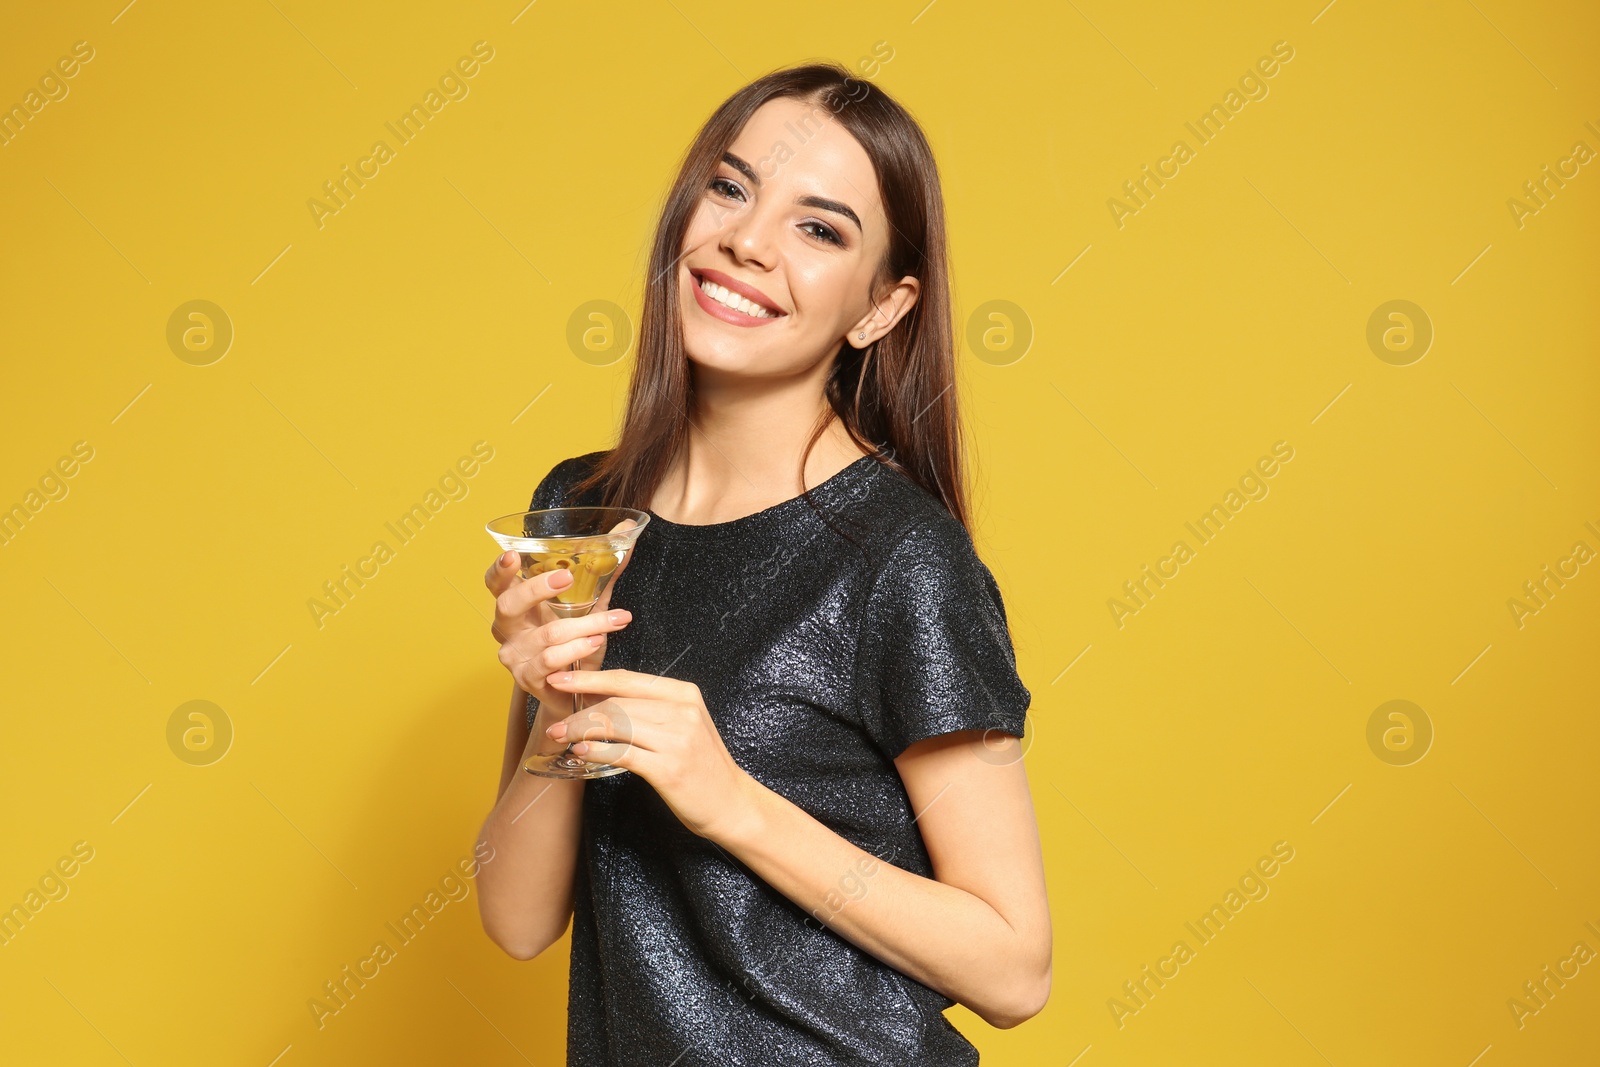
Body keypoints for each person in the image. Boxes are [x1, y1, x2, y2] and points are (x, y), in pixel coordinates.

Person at [475, 62, 1050, 1065]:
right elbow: (517, 919)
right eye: (731, 187)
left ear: (880, 308)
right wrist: (553, 700)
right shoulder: (581, 507)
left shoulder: (901, 559)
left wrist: (729, 799)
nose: (746, 240)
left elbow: (1013, 967)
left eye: (819, 228)